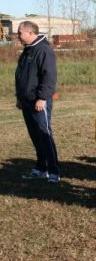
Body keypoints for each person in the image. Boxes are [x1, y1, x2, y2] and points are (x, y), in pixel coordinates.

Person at [15, 21, 60, 183]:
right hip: (26, 101)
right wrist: (20, 98)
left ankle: (54, 171)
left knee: (44, 134)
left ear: (30, 33)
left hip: (39, 101)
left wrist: (42, 98)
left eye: (20, 33)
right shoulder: (27, 51)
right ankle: (41, 168)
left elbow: (49, 77)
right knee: (35, 136)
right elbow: (21, 76)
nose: (18, 36)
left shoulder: (44, 51)